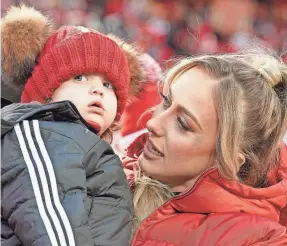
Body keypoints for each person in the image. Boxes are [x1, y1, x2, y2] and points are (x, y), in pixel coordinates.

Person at [1, 5, 144, 246]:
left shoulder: (83, 143)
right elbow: (49, 221)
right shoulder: (43, 134)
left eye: (109, 85)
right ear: (45, 92)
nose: (98, 89)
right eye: (79, 77)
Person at [123, 51, 287, 245]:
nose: (153, 123)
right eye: (166, 101)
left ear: (229, 159)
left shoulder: (263, 239)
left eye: (183, 124)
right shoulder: (106, 172)